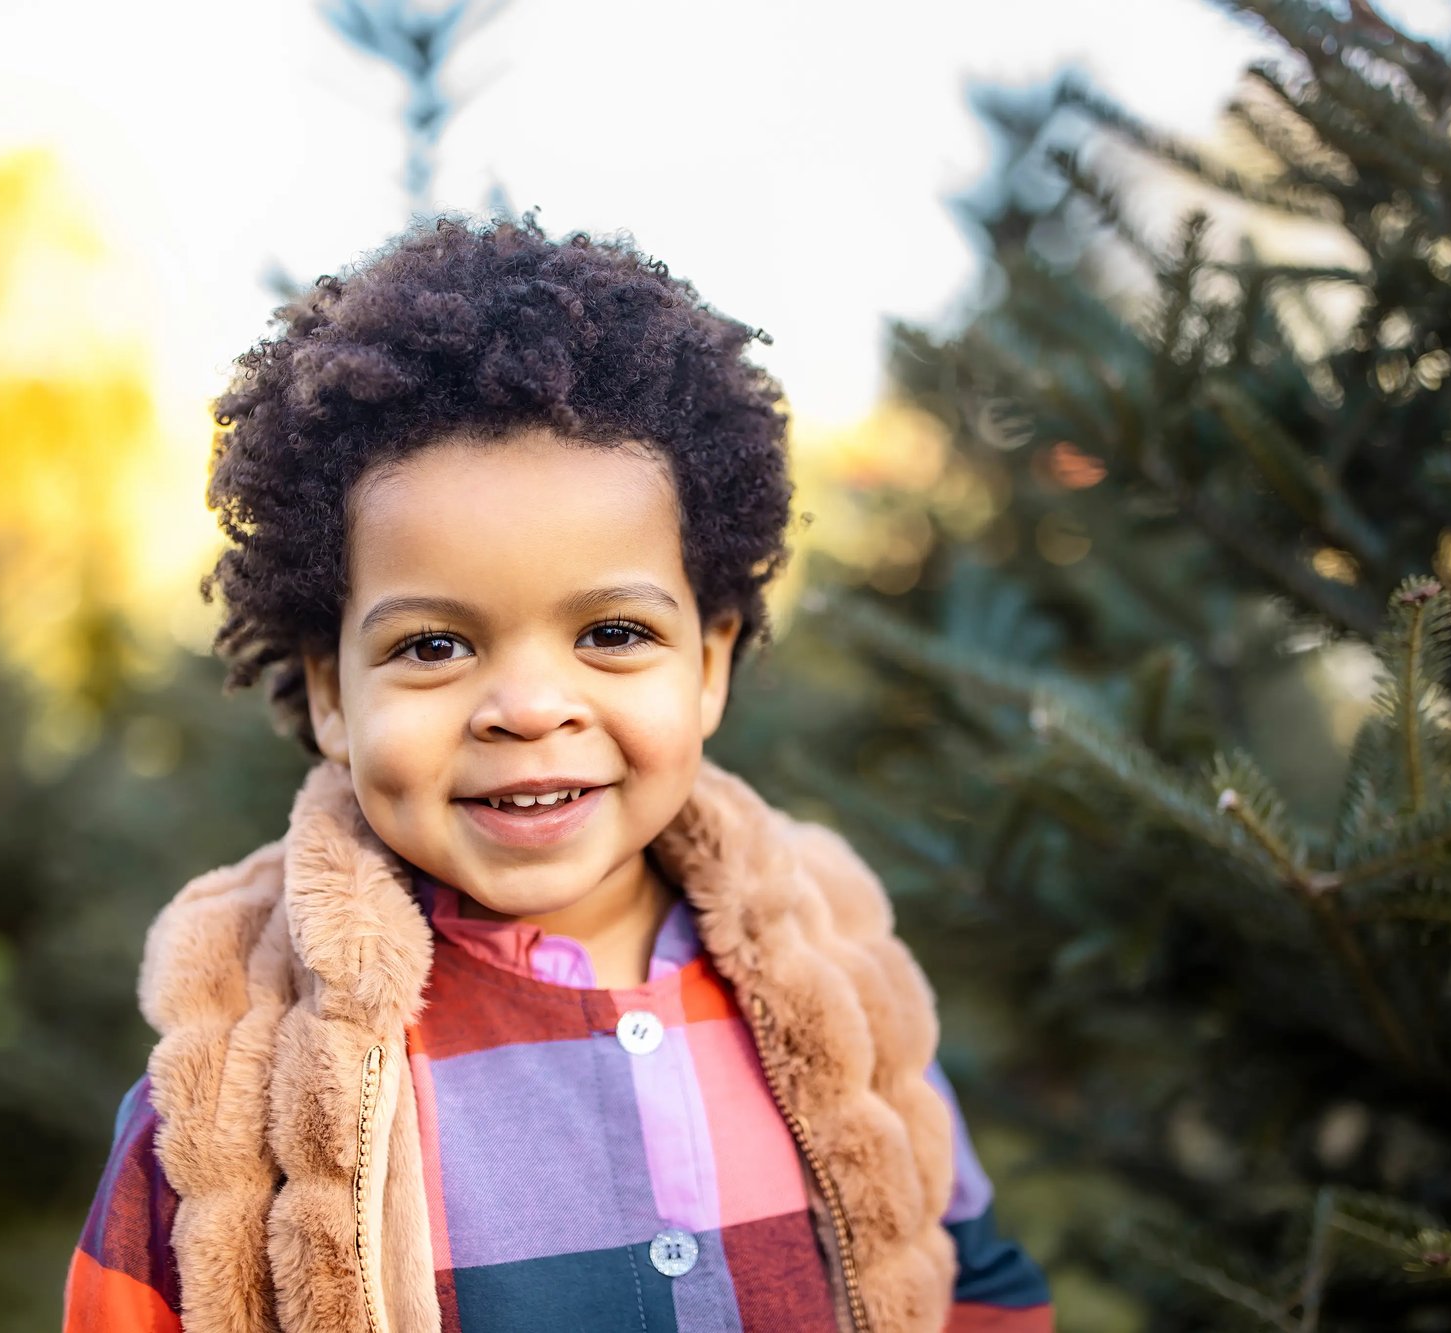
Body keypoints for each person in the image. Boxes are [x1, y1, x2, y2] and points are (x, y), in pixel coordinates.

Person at [63, 215, 1053, 1332]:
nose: (531, 708)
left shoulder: (837, 980)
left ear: (711, 660)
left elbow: (973, 1285)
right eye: (433, 645)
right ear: (333, 695)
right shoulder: (235, 1100)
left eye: (614, 633)